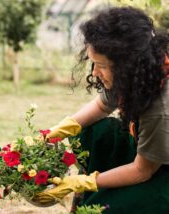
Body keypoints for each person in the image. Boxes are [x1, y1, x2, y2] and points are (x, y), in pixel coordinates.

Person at [35, 6, 169, 213]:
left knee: (102, 208)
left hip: (158, 170)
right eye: (93, 64)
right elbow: (102, 105)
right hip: (150, 157)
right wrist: (56, 131)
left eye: (101, 65)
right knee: (95, 131)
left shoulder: (161, 106)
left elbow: (143, 171)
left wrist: (84, 182)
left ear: (126, 65)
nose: (95, 72)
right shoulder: (138, 74)